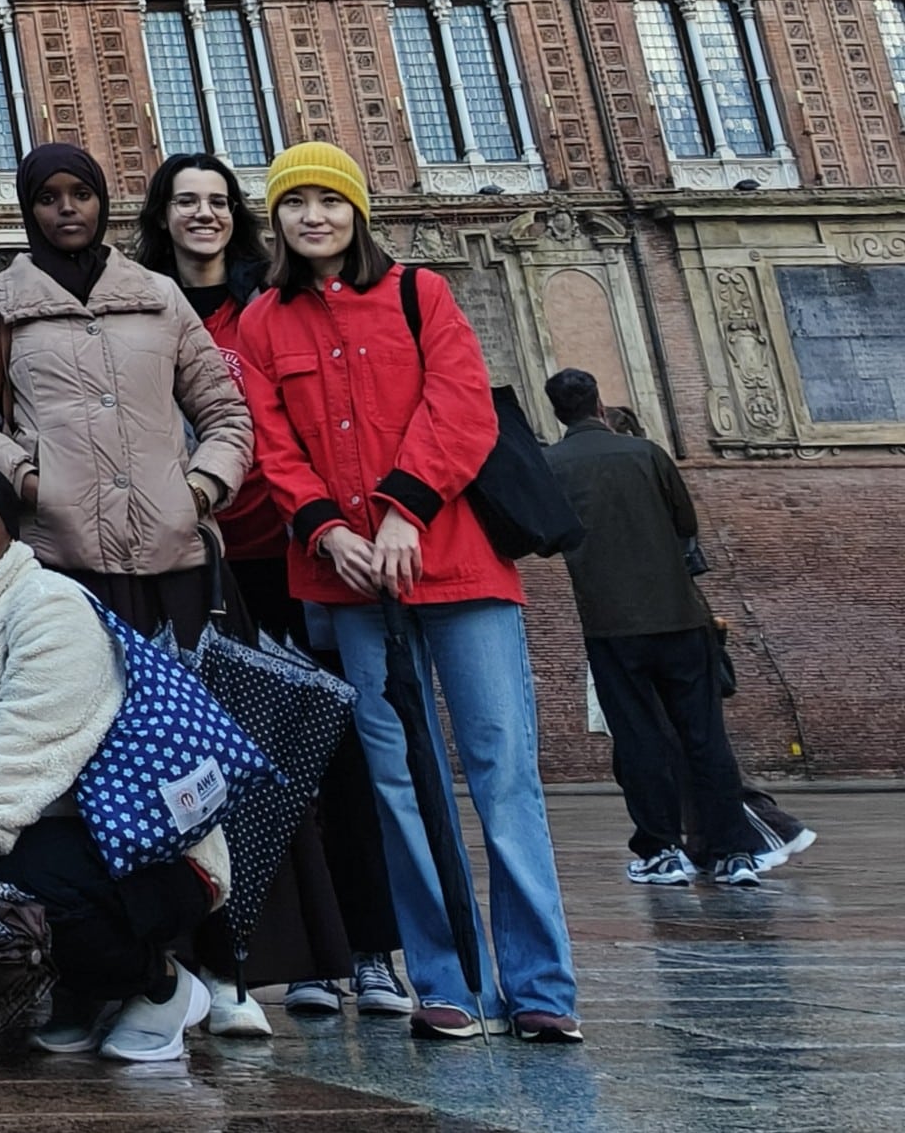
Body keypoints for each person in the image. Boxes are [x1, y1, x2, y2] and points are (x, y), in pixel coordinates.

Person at [233, 142, 579, 1047]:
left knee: (503, 773)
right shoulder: (264, 322)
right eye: (296, 202)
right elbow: (271, 442)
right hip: (346, 579)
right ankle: (448, 981)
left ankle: (539, 984)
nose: (314, 216)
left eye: (329, 200)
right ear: (277, 221)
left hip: (456, 566)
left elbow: (461, 407)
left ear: (357, 211)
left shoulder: (423, 294)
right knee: (395, 784)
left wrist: (402, 513)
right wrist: (329, 528)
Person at [139, 150, 393, 1020]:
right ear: (161, 215)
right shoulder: (138, 297)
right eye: (186, 202)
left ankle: (366, 946)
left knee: (337, 747)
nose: (202, 214)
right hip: (195, 562)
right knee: (226, 764)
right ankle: (261, 947)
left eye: (217, 200)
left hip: (292, 548)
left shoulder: (272, 297)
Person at [0, 466, 224, 1061]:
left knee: (14, 885)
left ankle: (164, 987)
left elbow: (32, 741)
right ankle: (83, 992)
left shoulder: (51, 607)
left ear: (9, 532)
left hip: (149, 851)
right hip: (36, 829)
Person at [0, 143, 251, 642]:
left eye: (81, 194)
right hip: (63, 555)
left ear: (100, 201)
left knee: (187, 717)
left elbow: (226, 412)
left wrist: (198, 490)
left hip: (175, 551)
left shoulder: (159, 294)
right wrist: (30, 480)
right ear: (29, 209)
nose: (66, 208)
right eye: (47, 197)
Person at [544, 369, 767, 888]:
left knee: (639, 739)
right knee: (706, 737)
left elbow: (545, 539)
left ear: (557, 413)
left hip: (612, 627)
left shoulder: (550, 465)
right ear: (599, 404)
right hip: (681, 618)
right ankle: (733, 852)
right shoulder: (646, 453)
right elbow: (685, 523)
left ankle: (662, 850)